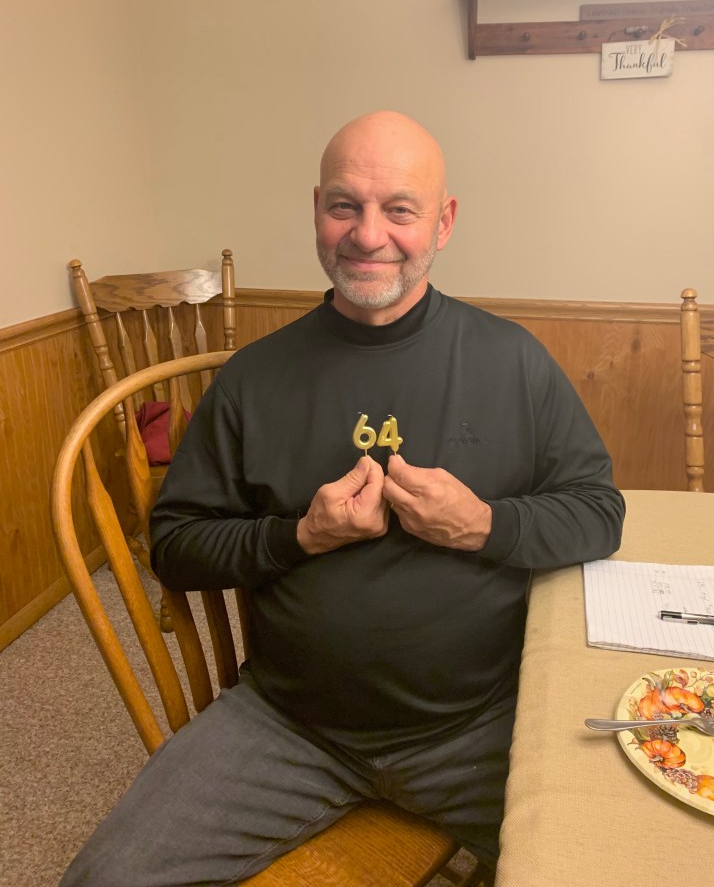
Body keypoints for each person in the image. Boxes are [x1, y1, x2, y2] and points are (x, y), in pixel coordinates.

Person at [60, 111, 624, 886]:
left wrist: (482, 524)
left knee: (604, 865)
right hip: (288, 725)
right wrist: (300, 536)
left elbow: (598, 513)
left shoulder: (512, 361)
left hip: (480, 726)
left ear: (443, 222)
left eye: (399, 209)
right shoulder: (254, 379)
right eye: (343, 206)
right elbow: (177, 549)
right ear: (316, 211)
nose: (367, 234)